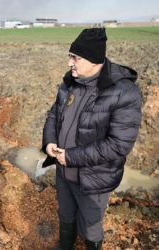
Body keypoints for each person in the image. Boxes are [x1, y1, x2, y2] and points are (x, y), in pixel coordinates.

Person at [42, 28, 142, 250]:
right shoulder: (69, 83)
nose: (70, 63)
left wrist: (72, 157)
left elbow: (119, 145)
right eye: (70, 56)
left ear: (94, 60)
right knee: (65, 214)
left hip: (93, 178)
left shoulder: (124, 92)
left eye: (75, 57)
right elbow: (54, 115)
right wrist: (49, 141)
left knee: (90, 225)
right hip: (63, 171)